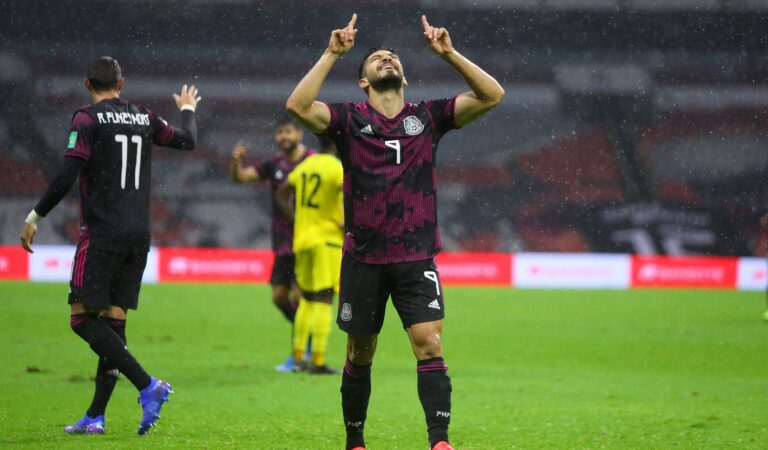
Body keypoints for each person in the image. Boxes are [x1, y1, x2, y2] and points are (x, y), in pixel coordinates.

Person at [286, 13, 504, 450]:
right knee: (359, 354)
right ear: (363, 82)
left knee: (429, 343)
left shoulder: (429, 117)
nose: (386, 59)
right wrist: (332, 52)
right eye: (376, 59)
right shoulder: (348, 120)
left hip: (416, 256)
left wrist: (449, 54)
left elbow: (492, 94)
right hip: (364, 258)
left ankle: (439, 442)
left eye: (392, 57)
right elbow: (298, 107)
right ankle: (356, 440)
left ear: (403, 75)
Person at [19, 56, 200, 435]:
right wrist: (186, 110)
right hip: (139, 234)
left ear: (87, 84)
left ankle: (149, 386)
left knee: (82, 319)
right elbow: (187, 140)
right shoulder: (145, 117)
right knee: (113, 324)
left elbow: (68, 173)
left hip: (103, 232)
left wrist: (34, 217)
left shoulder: (87, 119)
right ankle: (96, 416)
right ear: (122, 84)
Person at [229, 117, 316, 371]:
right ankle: (306, 338)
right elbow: (241, 178)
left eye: (288, 131)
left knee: (300, 298)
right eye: (279, 133)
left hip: (307, 240)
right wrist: (236, 160)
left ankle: (301, 354)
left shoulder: (312, 161)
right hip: (282, 242)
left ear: (299, 134)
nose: (283, 137)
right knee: (279, 297)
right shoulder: (274, 163)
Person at [275, 135, 343, 375]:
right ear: (336, 144)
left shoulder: (305, 166)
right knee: (324, 298)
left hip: (303, 240)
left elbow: (281, 194)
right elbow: (350, 198)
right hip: (327, 241)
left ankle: (297, 357)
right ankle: (318, 360)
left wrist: (298, 222)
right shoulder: (337, 168)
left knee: (305, 298)